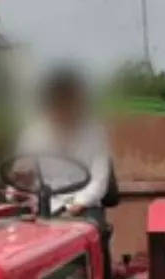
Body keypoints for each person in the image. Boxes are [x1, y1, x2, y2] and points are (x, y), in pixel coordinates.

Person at [15, 68, 111, 223]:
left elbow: (100, 181)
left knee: (87, 229)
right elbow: (20, 183)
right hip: (43, 207)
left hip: (84, 207)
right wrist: (22, 179)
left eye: (69, 100)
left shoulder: (95, 133)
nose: (64, 107)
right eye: (58, 101)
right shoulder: (32, 135)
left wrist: (76, 204)